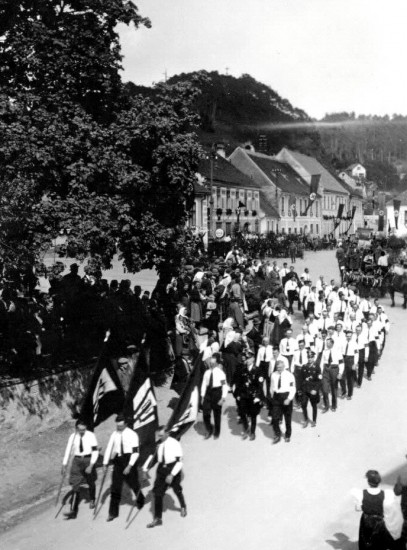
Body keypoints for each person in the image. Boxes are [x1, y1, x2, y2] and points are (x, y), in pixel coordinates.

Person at [103, 414, 145, 522]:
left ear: (126, 424)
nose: (118, 428)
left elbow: (135, 453)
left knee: (134, 484)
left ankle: (141, 500)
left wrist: (129, 466)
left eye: (121, 426)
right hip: (118, 461)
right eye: (117, 426)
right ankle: (113, 513)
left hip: (129, 459)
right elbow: (109, 447)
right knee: (115, 487)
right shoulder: (114, 434)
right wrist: (105, 462)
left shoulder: (133, 435)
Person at [143, 426, 187, 528]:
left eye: (162, 436)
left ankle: (183, 506)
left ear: (167, 433)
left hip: (172, 468)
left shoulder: (175, 444)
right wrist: (145, 469)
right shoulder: (158, 444)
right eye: (159, 436)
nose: (160, 438)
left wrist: (172, 475)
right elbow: (153, 457)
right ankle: (158, 518)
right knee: (157, 494)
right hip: (161, 470)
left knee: (177, 490)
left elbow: (180, 462)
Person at [61, 419, 99, 519]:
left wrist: (91, 465)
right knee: (75, 484)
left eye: (84, 429)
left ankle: (92, 499)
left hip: (88, 459)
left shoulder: (90, 435)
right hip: (77, 461)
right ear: (76, 428)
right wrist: (64, 464)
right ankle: (73, 511)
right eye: (80, 430)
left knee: (90, 481)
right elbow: (68, 451)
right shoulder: (72, 437)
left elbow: (95, 451)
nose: (82, 432)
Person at [352, 470, 396, 550]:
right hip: (380, 522)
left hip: (367, 521)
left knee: (366, 541)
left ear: (368, 482)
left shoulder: (361, 493)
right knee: (380, 543)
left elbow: (357, 508)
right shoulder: (386, 494)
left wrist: (364, 506)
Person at [233, 349, 265, 440]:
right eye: (246, 358)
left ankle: (253, 432)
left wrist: (258, 397)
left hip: (253, 396)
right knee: (242, 412)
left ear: (253, 359)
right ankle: (246, 427)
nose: (247, 360)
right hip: (244, 395)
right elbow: (239, 383)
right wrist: (238, 394)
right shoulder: (242, 370)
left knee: (253, 414)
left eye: (249, 358)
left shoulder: (258, 370)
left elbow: (260, 385)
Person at [201, 353, 228, 439]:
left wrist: (223, 398)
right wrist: (202, 396)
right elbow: (204, 384)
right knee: (205, 413)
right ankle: (209, 429)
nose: (211, 365)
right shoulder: (207, 373)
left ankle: (217, 432)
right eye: (210, 363)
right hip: (208, 394)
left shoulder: (221, 374)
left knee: (217, 414)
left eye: (213, 363)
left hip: (217, 393)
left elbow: (224, 385)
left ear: (216, 364)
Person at [269, 359, 296, 443]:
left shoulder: (289, 375)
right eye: (277, 367)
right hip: (276, 397)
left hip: (286, 396)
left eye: (280, 367)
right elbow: (271, 387)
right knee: (275, 417)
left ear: (284, 366)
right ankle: (277, 434)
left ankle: (288, 435)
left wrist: (289, 399)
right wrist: (272, 396)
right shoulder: (273, 375)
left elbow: (293, 388)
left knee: (287, 418)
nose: (279, 369)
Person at [298, 350, 322, 427]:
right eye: (308, 357)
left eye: (311, 357)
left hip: (313, 390)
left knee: (313, 405)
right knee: (303, 405)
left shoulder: (317, 367)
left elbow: (319, 380)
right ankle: (306, 419)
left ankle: (314, 420)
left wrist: (316, 390)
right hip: (305, 389)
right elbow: (300, 379)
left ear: (313, 358)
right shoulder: (304, 366)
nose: (309, 359)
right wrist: (299, 389)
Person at [320, 337, 344, 412]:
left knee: (334, 389)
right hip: (326, 370)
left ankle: (334, 405)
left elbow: (341, 363)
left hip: (334, 369)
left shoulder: (338, 351)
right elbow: (322, 362)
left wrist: (340, 373)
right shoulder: (324, 351)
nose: (327, 344)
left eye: (328, 343)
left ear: (332, 343)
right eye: (326, 343)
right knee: (324, 389)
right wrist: (321, 372)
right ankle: (326, 405)